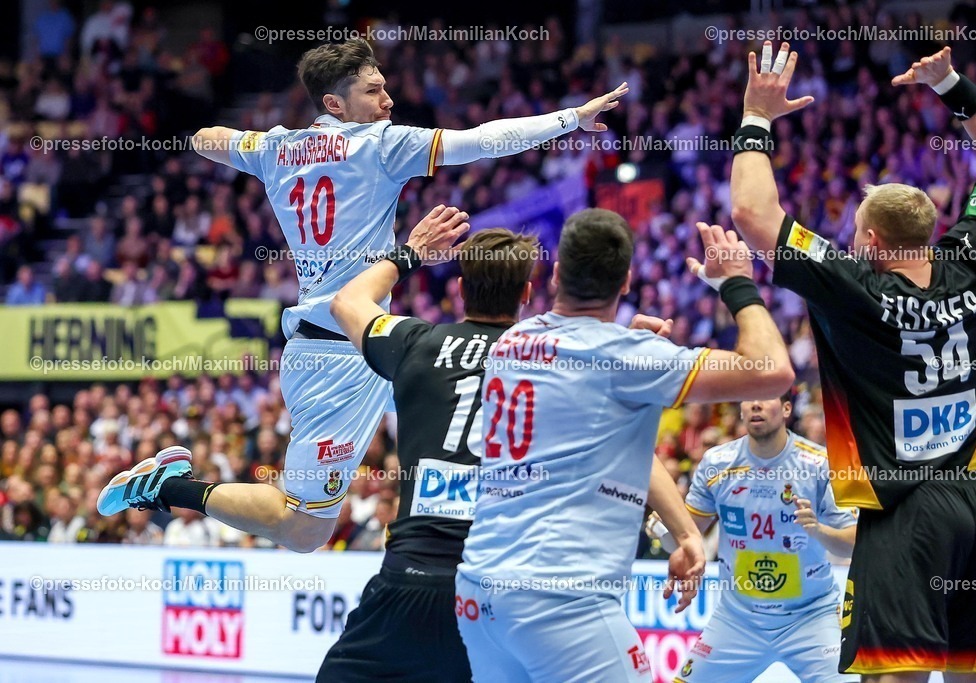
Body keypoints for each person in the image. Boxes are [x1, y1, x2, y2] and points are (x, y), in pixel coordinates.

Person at [98, 38, 628, 553]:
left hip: (331, 346)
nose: (388, 101)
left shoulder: (278, 147)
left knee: (444, 411)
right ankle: (167, 487)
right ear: (335, 103)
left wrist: (247, 143)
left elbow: (206, 138)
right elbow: (483, 139)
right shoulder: (381, 145)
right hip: (342, 356)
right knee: (303, 527)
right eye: (374, 91)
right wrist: (570, 119)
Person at [729, 42, 976, 680]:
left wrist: (756, 116)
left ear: (867, 241)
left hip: (905, 512)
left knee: (893, 674)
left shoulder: (854, 284)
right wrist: (951, 84)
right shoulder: (971, 260)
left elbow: (754, 215)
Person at [455, 208, 795, 682]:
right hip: (560, 597)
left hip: (478, 593)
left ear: (556, 275)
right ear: (627, 281)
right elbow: (772, 372)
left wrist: (685, 532)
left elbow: (596, 423)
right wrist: (737, 283)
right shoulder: (628, 358)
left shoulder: (512, 343)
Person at [663, 394, 856, 682]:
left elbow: (854, 540)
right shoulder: (717, 464)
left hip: (811, 617)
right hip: (737, 620)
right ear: (740, 409)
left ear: (787, 409)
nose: (756, 404)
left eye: (766, 397)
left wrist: (818, 530)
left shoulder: (819, 464)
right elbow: (682, 535)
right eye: (749, 398)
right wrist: (667, 537)